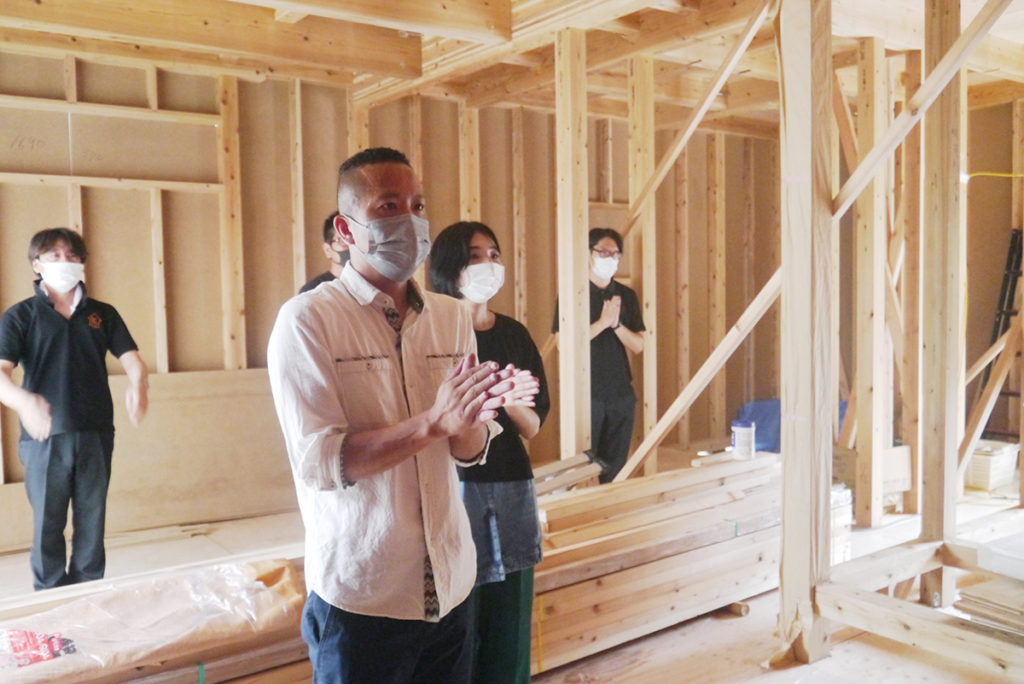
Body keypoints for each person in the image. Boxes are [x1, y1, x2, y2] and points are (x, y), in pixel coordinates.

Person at [267, 147, 539, 683]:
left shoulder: (451, 317)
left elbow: (469, 448)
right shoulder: (308, 321)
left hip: (451, 584)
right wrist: (432, 423)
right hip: (364, 595)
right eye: (388, 207)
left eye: (417, 206)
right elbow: (320, 462)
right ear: (346, 230)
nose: (409, 221)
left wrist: (467, 421)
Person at [428, 221, 549, 684]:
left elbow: (533, 426)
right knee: (461, 610)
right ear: (450, 267)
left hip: (512, 483)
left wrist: (506, 396)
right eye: (475, 256)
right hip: (456, 486)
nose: (488, 265)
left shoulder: (515, 335)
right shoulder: (433, 334)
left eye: (494, 255)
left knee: (511, 613)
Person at [0, 227, 149, 590]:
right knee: (47, 524)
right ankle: (49, 595)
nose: (64, 262)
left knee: (92, 521)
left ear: (82, 263)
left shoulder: (102, 314)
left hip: (95, 432)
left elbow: (132, 358)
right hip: (44, 436)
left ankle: (88, 592)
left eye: (72, 255)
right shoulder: (21, 316)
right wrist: (24, 401)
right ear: (37, 264)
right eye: (54, 256)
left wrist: (138, 383)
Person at [553, 227, 644, 483]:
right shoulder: (573, 294)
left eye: (615, 254)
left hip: (620, 391)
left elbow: (639, 345)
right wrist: (602, 323)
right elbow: (562, 344)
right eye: (603, 252)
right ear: (589, 254)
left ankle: (610, 504)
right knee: (582, 465)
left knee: (615, 467)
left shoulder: (626, 295)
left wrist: (616, 325)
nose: (610, 258)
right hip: (586, 392)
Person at [299, 211, 350, 294]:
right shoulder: (312, 291)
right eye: (342, 241)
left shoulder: (367, 286)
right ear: (327, 250)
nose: (351, 245)